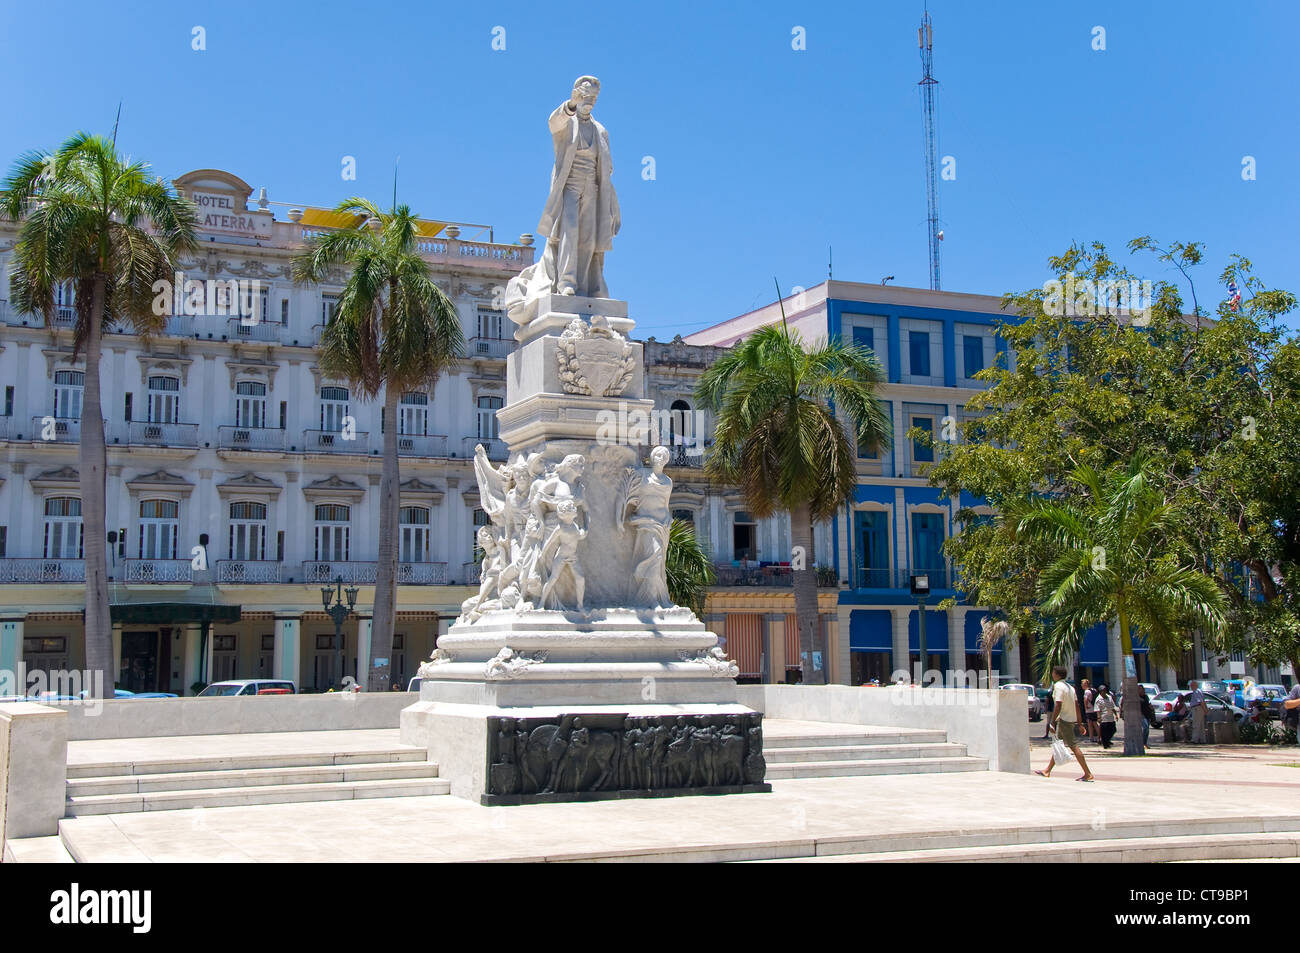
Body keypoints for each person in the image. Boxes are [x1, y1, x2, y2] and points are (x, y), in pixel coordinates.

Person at [1036, 665, 1094, 781]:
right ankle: (1047, 770)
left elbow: (1058, 704)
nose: (1052, 674)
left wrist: (1052, 722)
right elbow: (1077, 705)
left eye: (1053, 672)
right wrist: (1080, 723)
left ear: (1057, 674)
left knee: (1073, 746)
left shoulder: (1058, 686)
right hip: (1070, 719)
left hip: (1064, 720)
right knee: (1059, 745)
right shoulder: (1070, 688)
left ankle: (1088, 773)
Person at [1095, 683, 1118, 749]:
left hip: (1110, 717)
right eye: (1103, 690)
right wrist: (1099, 717)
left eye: (1105, 690)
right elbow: (1097, 709)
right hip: (1103, 717)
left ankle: (1107, 741)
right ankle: (1105, 744)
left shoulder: (1109, 697)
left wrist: (1116, 715)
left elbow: (1112, 706)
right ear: (1100, 691)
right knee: (1104, 731)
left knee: (1113, 729)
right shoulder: (1098, 699)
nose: (1104, 691)